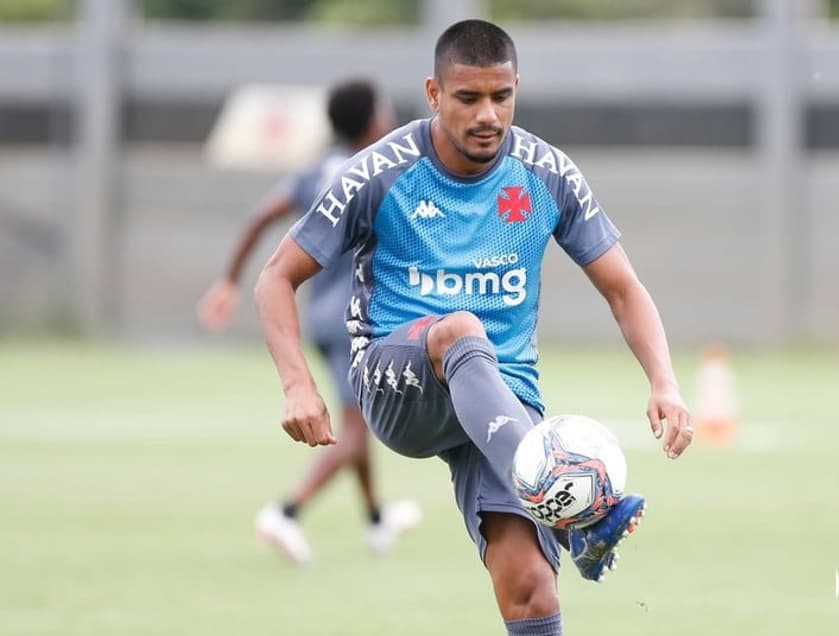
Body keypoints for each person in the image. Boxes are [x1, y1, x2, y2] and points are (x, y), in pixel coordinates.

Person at [254, 20, 692, 635]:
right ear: (434, 94)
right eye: (468, 98)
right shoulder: (378, 172)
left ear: (517, 88)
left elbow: (624, 289)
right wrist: (298, 384)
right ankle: (580, 515)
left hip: (501, 407)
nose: (488, 114)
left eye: (501, 97)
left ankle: (563, 514)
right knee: (460, 329)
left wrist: (664, 382)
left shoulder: (547, 174)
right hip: (397, 378)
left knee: (533, 593)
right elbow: (275, 277)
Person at [198, 79, 421, 564]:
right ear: (373, 122)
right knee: (357, 429)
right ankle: (287, 512)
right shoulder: (382, 171)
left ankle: (376, 518)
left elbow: (261, 217)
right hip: (355, 320)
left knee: (354, 417)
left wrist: (229, 280)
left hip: (318, 315)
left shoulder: (318, 171)